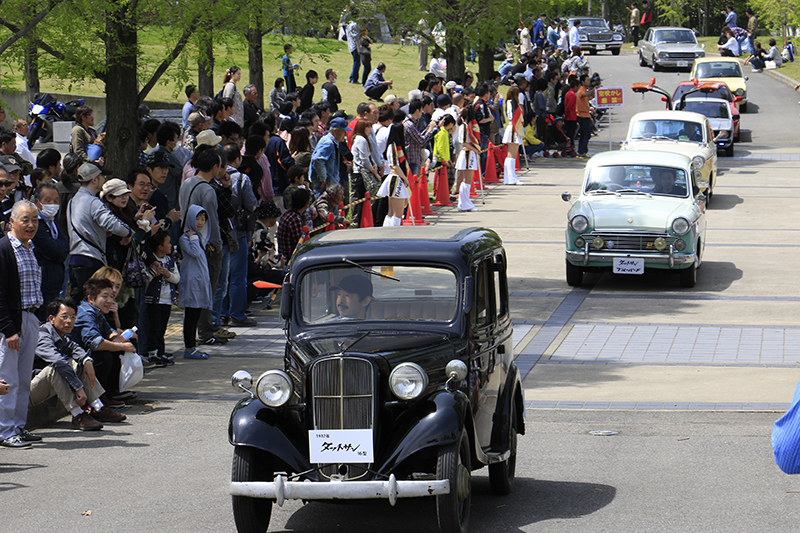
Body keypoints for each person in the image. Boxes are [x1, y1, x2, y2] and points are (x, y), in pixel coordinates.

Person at [30, 298, 125, 431]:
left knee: (80, 361)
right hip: (26, 392)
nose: (69, 321)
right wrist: (78, 387)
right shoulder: (42, 335)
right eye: (64, 316)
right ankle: (77, 414)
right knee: (56, 367)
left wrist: (87, 361)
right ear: (51, 319)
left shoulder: (61, 335)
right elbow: (58, 361)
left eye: (73, 317)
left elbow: (75, 349)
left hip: (44, 386)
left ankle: (98, 407)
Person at [0, 200, 44, 447]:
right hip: (12, 324)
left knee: (24, 378)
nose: (31, 224)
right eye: (25, 219)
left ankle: (18, 426)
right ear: (12, 222)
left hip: (30, 318)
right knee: (8, 379)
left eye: (35, 220)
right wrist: (8, 329)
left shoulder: (30, 248)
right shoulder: (5, 249)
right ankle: (5, 431)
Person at [179, 145, 225, 347]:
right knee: (208, 289)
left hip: (186, 239)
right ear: (214, 167)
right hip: (205, 245)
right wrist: (217, 245)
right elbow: (212, 222)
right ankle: (206, 331)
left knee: (194, 289)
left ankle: (197, 332)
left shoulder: (187, 183)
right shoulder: (208, 190)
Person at [67, 163, 131, 302]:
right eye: (102, 176)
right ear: (94, 179)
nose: (104, 179)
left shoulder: (73, 201)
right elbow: (112, 223)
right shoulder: (93, 201)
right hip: (91, 259)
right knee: (94, 302)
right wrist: (129, 232)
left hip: (74, 258)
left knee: (78, 302)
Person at [179, 205, 212, 360]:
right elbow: (195, 253)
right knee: (191, 316)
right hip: (192, 282)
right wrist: (193, 238)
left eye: (203, 219)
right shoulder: (186, 238)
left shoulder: (199, 238)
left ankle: (192, 346)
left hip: (198, 282)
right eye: (197, 218)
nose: (200, 222)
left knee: (196, 314)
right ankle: (189, 347)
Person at [142, 229, 179, 366]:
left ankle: (161, 353)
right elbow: (145, 279)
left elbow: (177, 279)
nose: (171, 245)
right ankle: (152, 353)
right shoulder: (150, 260)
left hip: (167, 299)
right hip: (154, 300)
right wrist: (154, 273)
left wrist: (168, 274)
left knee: (163, 328)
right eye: (168, 243)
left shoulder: (170, 261)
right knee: (155, 327)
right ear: (160, 246)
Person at [32, 183, 69, 311]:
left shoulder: (52, 221)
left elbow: (65, 245)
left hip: (55, 283)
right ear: (37, 202)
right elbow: (55, 249)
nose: (52, 204)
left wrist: (57, 254)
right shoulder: (35, 224)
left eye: (55, 201)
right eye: (47, 201)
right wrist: (58, 253)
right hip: (42, 284)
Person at [377, 123, 411, 226]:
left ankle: (388, 232)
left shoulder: (392, 146)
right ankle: (394, 234)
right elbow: (395, 165)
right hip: (396, 179)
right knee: (397, 213)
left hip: (394, 179)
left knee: (391, 212)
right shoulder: (393, 147)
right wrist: (405, 178)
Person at [310, 117, 351, 192]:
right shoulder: (328, 143)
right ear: (335, 131)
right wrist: (323, 179)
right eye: (343, 132)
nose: (345, 135)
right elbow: (318, 160)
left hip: (330, 185)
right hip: (324, 186)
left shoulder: (331, 141)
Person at [403, 100, 439, 176]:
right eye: (421, 110)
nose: (422, 113)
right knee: (412, 184)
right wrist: (430, 129)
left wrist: (429, 128)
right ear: (417, 111)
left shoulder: (411, 123)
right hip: (411, 159)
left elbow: (418, 136)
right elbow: (421, 141)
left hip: (413, 158)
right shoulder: (409, 125)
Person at [277, 187, 313, 262]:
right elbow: (300, 244)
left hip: (282, 257)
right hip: (291, 260)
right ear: (306, 204)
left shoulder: (286, 214)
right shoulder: (295, 219)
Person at [455, 106, 479, 212]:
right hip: (467, 153)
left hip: (467, 152)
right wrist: (475, 149)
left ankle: (463, 202)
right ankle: (465, 203)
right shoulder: (465, 126)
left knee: (466, 180)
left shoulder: (464, 126)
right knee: (468, 180)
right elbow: (463, 142)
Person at [503, 78, 527, 185]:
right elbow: (514, 116)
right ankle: (510, 177)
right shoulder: (512, 103)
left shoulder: (510, 102)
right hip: (514, 128)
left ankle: (509, 177)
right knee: (512, 155)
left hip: (513, 127)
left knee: (511, 155)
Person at [576, 74, 592, 159]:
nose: (589, 82)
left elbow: (589, 97)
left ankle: (583, 151)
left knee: (585, 134)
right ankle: (581, 151)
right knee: (586, 134)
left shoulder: (584, 90)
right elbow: (585, 95)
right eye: (587, 80)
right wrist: (592, 90)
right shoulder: (581, 90)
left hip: (586, 114)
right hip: (582, 115)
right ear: (582, 82)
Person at [346, 15, 361, 84]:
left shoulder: (348, 25)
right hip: (355, 46)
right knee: (357, 63)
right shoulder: (355, 25)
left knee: (356, 62)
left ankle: (351, 77)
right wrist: (358, 47)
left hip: (350, 45)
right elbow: (356, 37)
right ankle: (354, 79)